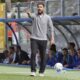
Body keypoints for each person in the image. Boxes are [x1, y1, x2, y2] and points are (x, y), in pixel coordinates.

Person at [26, 2, 54, 76]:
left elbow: (51, 28)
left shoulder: (48, 17)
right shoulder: (34, 16)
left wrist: (52, 38)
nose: (39, 8)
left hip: (43, 40)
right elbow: (30, 15)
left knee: (43, 56)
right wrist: (28, 13)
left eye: (40, 7)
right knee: (33, 54)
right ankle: (33, 71)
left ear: (43, 8)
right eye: (38, 7)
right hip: (34, 38)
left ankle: (42, 71)